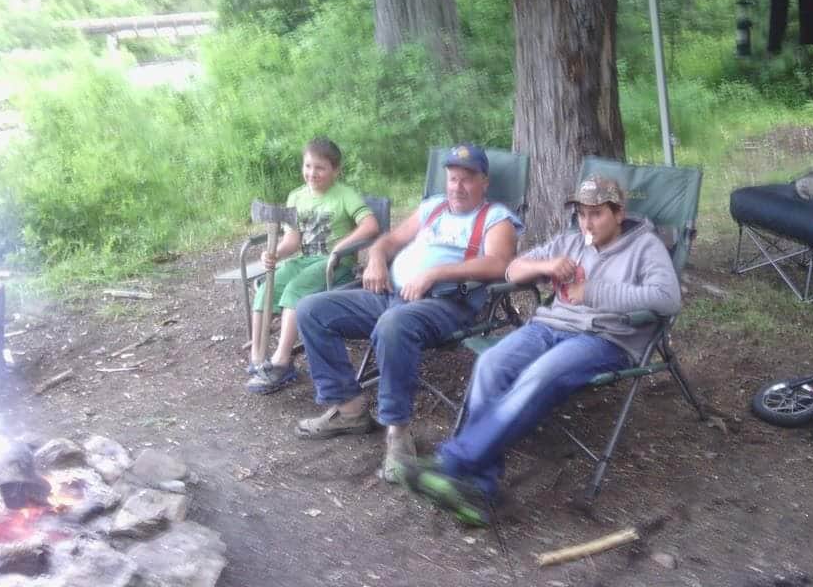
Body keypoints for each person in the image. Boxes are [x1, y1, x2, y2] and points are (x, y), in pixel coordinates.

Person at [401, 175, 681, 526]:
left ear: (619, 213)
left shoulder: (644, 246)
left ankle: (454, 462)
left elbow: (667, 299)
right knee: (491, 363)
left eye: (597, 214)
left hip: (604, 338)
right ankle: (480, 486)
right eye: (582, 214)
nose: (587, 223)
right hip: (548, 328)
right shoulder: (570, 241)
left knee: (539, 375)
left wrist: (593, 292)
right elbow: (513, 269)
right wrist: (544, 266)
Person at [292, 144, 523, 481]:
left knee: (393, 324)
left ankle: (398, 432)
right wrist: (376, 259)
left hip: (445, 304)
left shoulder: (495, 218)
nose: (457, 186)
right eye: (453, 178)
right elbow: (389, 240)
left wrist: (435, 273)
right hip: (392, 294)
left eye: (467, 179)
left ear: (484, 182)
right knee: (311, 309)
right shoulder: (433, 207)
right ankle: (349, 408)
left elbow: (499, 264)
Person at [246, 138, 380, 394]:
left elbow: (370, 225)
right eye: (308, 166)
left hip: (335, 265)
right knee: (266, 289)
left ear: (335, 170)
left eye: (320, 168)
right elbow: (293, 240)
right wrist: (275, 253)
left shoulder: (345, 195)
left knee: (295, 289)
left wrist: (341, 247)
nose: (312, 173)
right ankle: (257, 358)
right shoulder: (296, 196)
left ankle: (281, 362)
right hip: (304, 260)